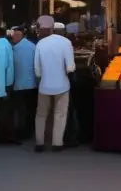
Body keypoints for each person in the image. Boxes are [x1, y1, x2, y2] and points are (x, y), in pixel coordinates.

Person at [33, 17, 75, 153]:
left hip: (44, 85)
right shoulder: (66, 43)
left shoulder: (41, 43)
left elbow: (37, 70)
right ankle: (57, 143)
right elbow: (70, 67)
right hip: (62, 85)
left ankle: (39, 143)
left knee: (41, 114)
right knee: (60, 114)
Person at [10, 27, 38, 140]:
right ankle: (28, 131)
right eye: (14, 35)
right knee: (29, 109)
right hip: (31, 84)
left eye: (17, 35)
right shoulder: (33, 47)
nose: (15, 37)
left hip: (21, 84)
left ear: (23, 35)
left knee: (22, 110)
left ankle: (22, 131)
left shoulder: (14, 49)